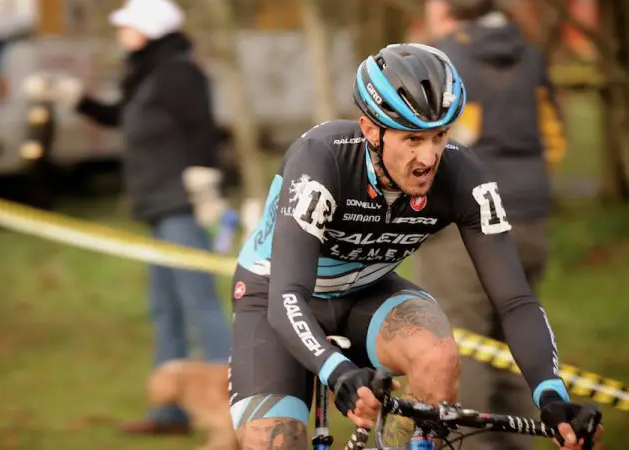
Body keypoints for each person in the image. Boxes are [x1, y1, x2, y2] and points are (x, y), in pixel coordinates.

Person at [226, 43, 601, 449]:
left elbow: (515, 301)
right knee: (274, 442)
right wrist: (337, 371)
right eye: (413, 139)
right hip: (274, 298)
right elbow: (286, 296)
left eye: (440, 136)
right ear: (371, 130)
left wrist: (551, 393)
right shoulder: (321, 160)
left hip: (365, 292)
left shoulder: (463, 176)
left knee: (437, 358)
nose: (429, 157)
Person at [24, 0, 232, 435]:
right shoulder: (147, 76)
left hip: (181, 204)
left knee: (199, 304)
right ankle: (170, 411)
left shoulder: (179, 73)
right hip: (156, 206)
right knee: (164, 306)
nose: (121, 32)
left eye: (128, 25)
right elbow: (120, 116)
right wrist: (71, 96)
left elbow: (202, 128)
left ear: (152, 29)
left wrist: (204, 178)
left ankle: (238, 412)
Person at [414, 0, 567, 450]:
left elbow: (426, 148)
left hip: (466, 225)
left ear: (442, 8)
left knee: (461, 343)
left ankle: (468, 444)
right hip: (529, 217)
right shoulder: (529, 54)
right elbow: (556, 139)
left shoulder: (440, 60)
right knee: (516, 341)